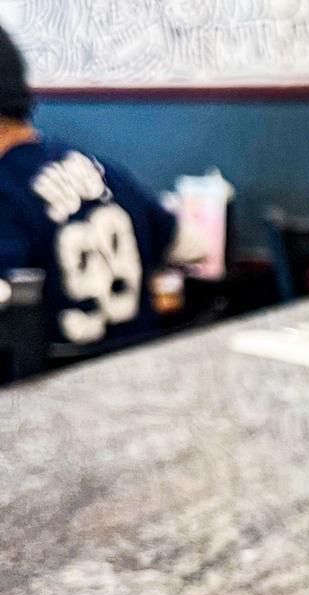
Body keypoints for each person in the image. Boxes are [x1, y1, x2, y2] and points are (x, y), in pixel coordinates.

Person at [0, 25, 183, 351]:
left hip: (45, 394)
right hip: (140, 377)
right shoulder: (100, 169)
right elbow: (187, 244)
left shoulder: (6, 191)